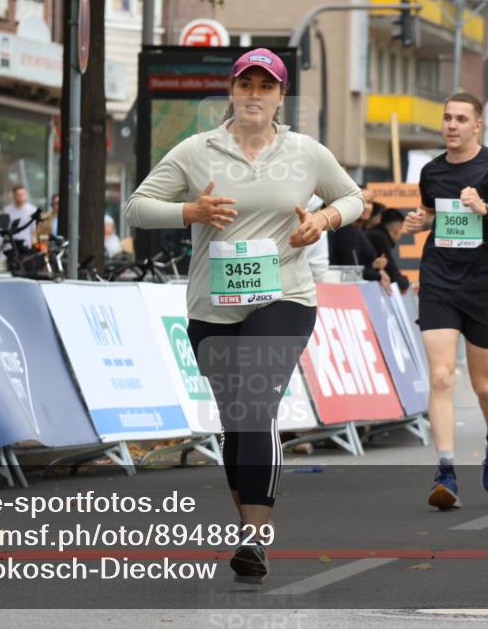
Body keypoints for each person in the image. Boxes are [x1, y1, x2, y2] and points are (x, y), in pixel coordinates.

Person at [125, 48, 363, 583]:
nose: (255, 94)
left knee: (256, 404)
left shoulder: (305, 153)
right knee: (236, 418)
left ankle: (256, 536)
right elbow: (137, 208)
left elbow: (354, 199)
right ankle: (248, 528)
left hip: (285, 297)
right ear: (231, 92)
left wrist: (322, 219)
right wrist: (192, 211)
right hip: (213, 306)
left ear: (281, 97)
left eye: (266, 86)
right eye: (246, 84)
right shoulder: (195, 151)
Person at [403, 92, 488, 510]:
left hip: (482, 286)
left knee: (482, 384)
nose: (452, 125)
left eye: (461, 118)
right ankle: (446, 470)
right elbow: (430, 212)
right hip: (439, 280)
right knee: (441, 376)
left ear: (478, 125)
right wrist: (419, 220)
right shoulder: (432, 171)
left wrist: (487, 208)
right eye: (447, 118)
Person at [330, 188, 392, 293]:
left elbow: (353, 267)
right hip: (340, 293)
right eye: (361, 201)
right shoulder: (347, 228)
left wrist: (373, 266)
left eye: (370, 202)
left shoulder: (354, 229)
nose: (367, 207)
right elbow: (351, 272)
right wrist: (377, 275)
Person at [366, 207, 410, 293]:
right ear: (396, 231)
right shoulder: (379, 237)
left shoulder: (374, 233)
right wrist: (404, 282)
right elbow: (393, 274)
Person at [0, 184, 37, 257]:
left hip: (26, 248)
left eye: (23, 194)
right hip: (9, 249)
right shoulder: (7, 210)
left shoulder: (32, 210)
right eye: (18, 195)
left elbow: (33, 232)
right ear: (14, 196)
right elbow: (2, 232)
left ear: (26, 195)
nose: (21, 197)